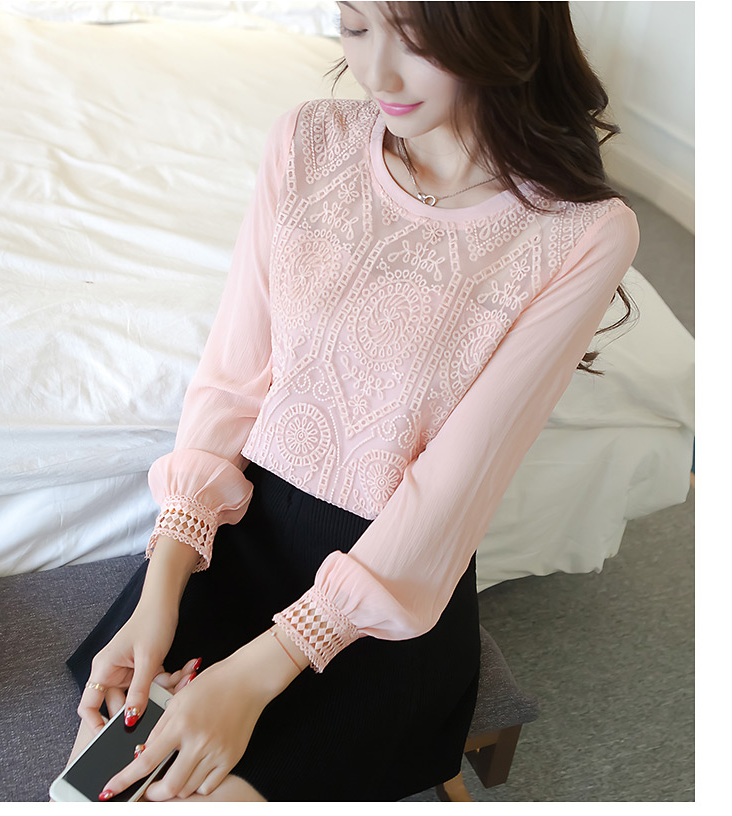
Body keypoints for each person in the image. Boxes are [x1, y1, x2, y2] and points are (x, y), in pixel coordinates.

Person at [60, 1, 639, 803]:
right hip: (242, 535)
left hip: (384, 588)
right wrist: (161, 591)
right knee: (104, 780)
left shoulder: (582, 232)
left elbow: (454, 489)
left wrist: (253, 676)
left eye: (418, 39)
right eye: (356, 26)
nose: (376, 73)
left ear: (498, 28)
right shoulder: (307, 141)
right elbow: (232, 380)